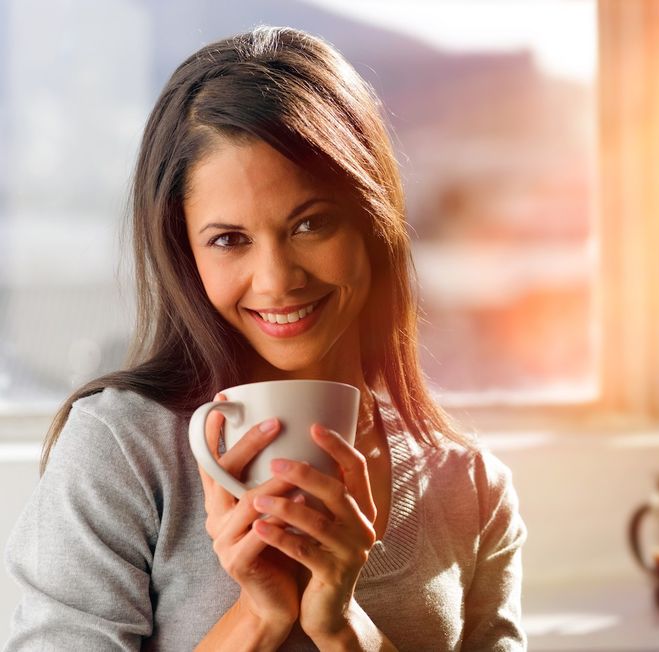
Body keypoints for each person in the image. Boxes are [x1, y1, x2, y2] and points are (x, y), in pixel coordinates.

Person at [4, 26, 527, 651]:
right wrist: (256, 615)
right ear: (186, 253)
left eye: (311, 224)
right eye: (229, 240)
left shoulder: (470, 488)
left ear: (372, 221)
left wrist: (344, 628)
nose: (277, 281)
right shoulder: (122, 452)